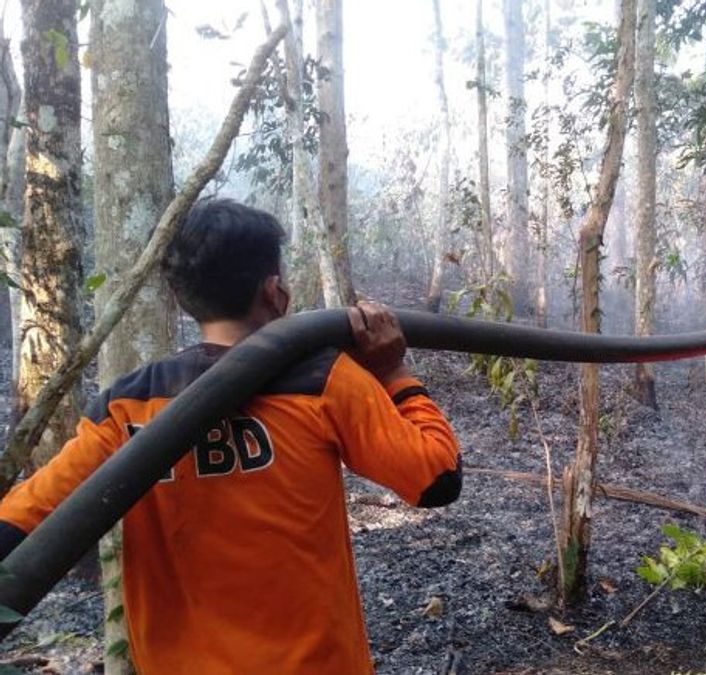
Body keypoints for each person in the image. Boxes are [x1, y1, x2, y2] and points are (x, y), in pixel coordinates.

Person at [0, 199, 462, 674]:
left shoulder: (128, 406)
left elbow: (18, 524)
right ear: (274, 290)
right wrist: (394, 371)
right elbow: (437, 479)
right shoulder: (323, 381)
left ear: (180, 295)